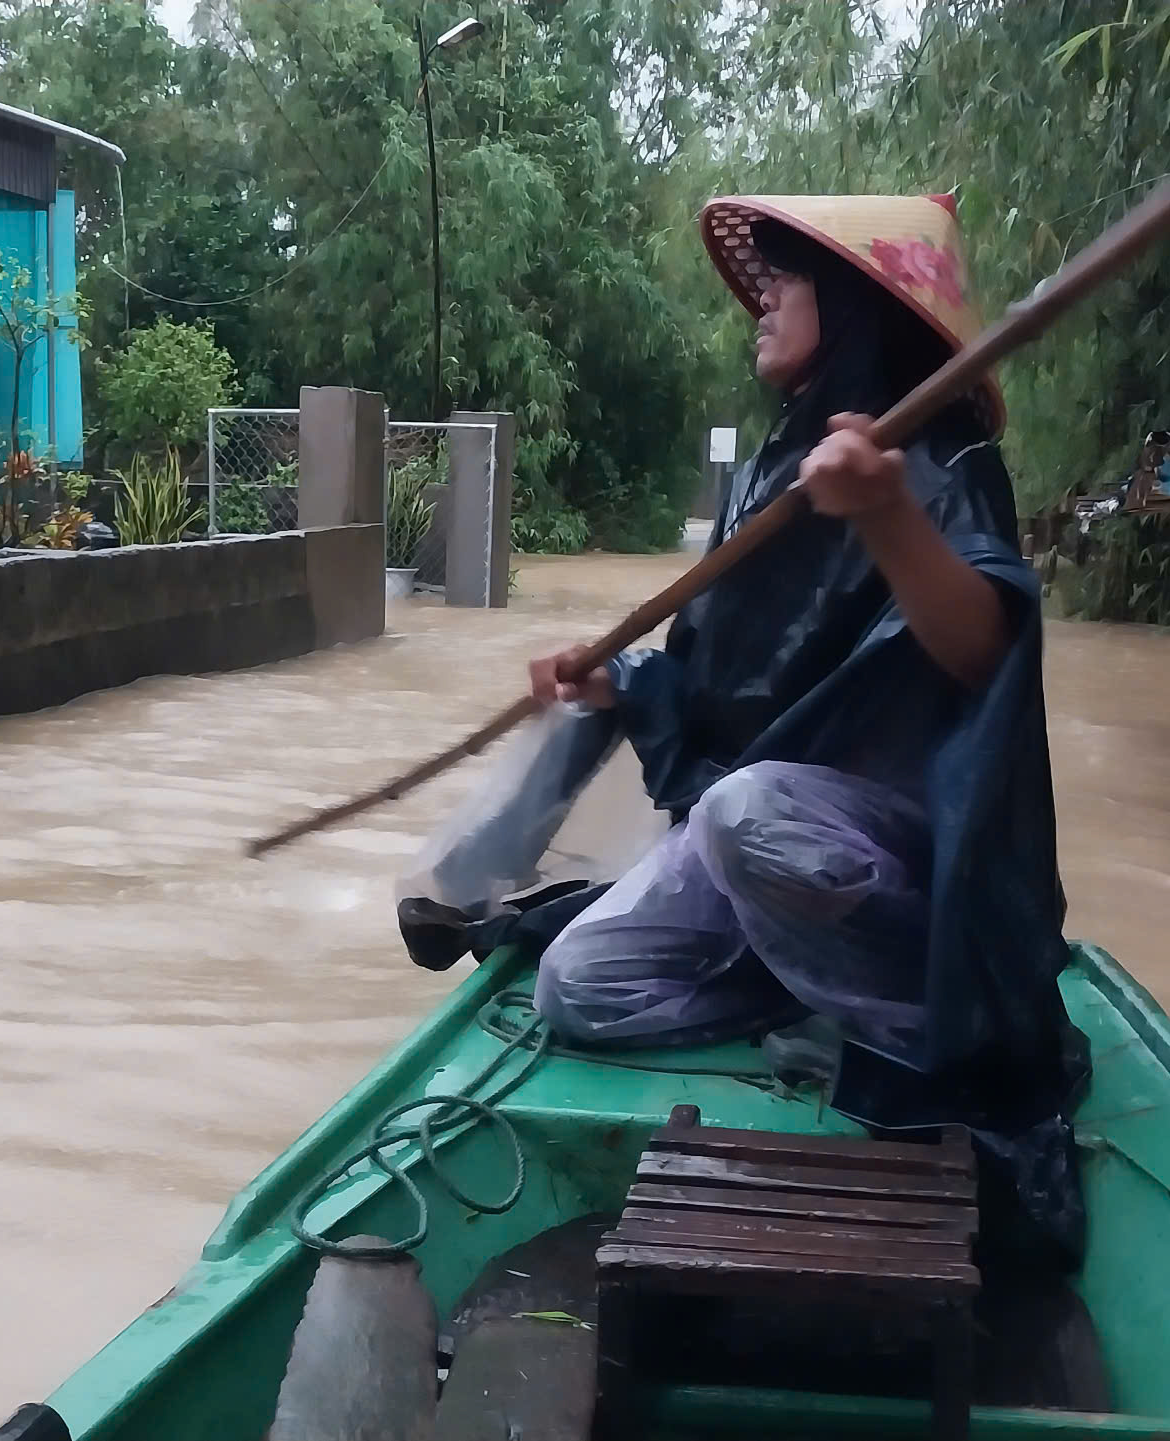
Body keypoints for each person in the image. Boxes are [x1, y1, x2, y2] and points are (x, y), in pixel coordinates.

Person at [413, 194, 1087, 1268]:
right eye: (760, 276)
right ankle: (800, 974)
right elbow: (729, 679)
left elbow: (982, 655)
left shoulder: (943, 464)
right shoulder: (783, 462)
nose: (758, 301)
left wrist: (886, 514)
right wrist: (620, 686)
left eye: (784, 277)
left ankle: (906, 1018)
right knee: (576, 986)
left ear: (861, 304)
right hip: (766, 841)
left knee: (746, 809)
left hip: (898, 869)